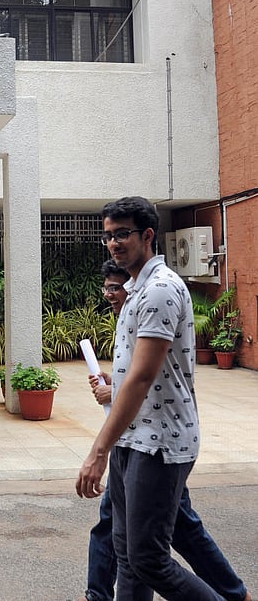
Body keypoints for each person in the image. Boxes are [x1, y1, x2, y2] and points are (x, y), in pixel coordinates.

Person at [76, 196, 229, 600]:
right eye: (108, 236)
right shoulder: (133, 290)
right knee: (127, 556)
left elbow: (143, 378)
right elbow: (137, 371)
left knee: (149, 559)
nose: (113, 243)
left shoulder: (159, 290)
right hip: (134, 436)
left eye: (122, 234)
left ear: (147, 235)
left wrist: (98, 450)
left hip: (160, 443)